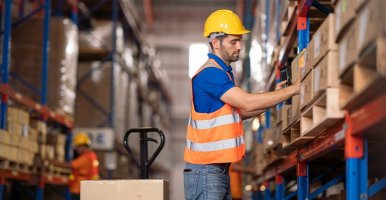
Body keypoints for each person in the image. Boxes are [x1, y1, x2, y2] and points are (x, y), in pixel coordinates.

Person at [183, 9, 300, 200]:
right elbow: (246, 102)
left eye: (240, 41)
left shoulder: (223, 73)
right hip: (206, 172)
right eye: (233, 41)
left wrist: (277, 95)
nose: (239, 46)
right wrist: (294, 89)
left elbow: (239, 112)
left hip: (215, 171)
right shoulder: (210, 74)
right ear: (215, 43)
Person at [50, 133, 100, 200]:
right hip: (86, 189)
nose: (76, 149)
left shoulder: (86, 158)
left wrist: (53, 162)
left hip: (79, 190)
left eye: (77, 147)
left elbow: (70, 165)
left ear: (83, 146)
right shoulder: (92, 155)